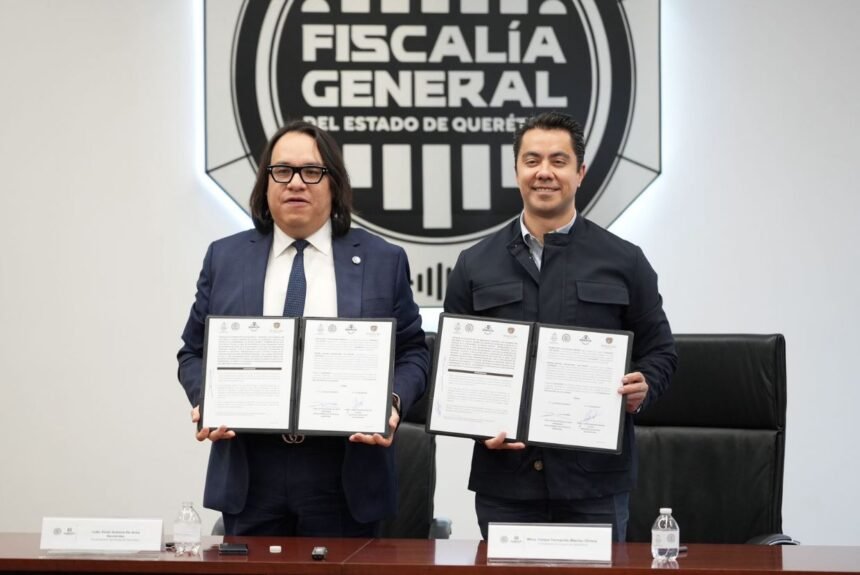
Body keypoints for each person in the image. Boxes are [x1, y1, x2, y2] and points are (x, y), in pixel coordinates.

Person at [177, 120, 429, 537]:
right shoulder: (225, 258)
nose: (295, 183)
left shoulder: (383, 260)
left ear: (334, 183)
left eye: (311, 171)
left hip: (345, 472)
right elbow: (193, 351)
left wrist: (394, 401)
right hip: (250, 470)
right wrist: (208, 398)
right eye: (282, 171)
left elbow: (413, 351)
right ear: (266, 183)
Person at [443, 111, 677, 542]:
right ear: (517, 170)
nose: (544, 172)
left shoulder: (624, 261)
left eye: (558, 160)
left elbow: (661, 351)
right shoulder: (474, 265)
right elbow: (452, 369)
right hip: (506, 483)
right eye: (532, 160)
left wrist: (645, 385)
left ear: (580, 172)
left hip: (594, 485)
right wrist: (477, 424)